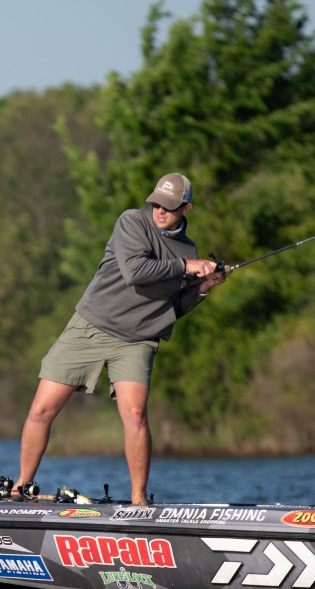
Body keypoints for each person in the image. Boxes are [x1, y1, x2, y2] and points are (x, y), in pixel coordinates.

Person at [13, 173, 226, 505]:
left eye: (169, 207)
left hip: (137, 339)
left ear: (187, 207)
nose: (159, 211)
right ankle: (20, 489)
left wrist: (202, 287)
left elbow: (172, 307)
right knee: (41, 409)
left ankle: (139, 500)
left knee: (136, 416)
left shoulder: (188, 249)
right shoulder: (131, 222)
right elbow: (135, 272)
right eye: (156, 203)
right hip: (92, 325)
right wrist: (186, 266)